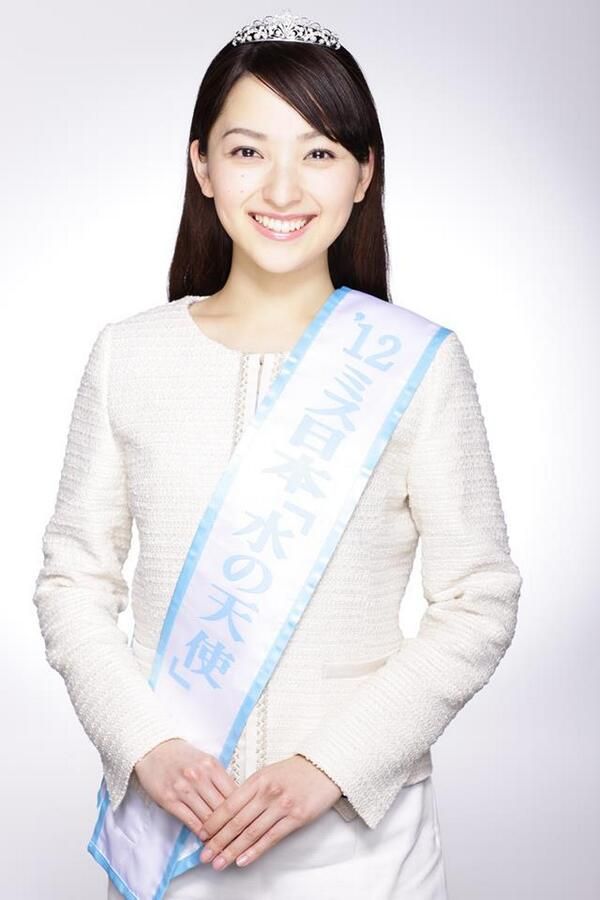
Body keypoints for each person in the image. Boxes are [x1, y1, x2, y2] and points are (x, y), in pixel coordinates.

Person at [32, 10, 523, 900]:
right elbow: (73, 584)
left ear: (364, 173)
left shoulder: (420, 363)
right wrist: (147, 746)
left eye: (321, 152)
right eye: (249, 151)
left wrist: (332, 764)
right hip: (174, 827)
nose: (284, 189)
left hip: (362, 843)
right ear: (202, 167)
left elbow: (479, 601)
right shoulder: (128, 355)